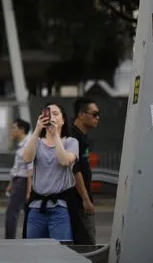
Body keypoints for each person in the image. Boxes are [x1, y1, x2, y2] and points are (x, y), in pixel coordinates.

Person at [22, 103, 79, 242]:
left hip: (60, 208)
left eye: (56, 114)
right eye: (48, 113)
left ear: (63, 120)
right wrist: (37, 130)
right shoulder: (37, 142)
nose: (52, 117)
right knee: (33, 252)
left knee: (61, 252)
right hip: (36, 209)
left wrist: (55, 135)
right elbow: (26, 158)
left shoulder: (71, 142)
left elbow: (64, 160)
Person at [72, 97, 100, 245]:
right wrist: (85, 198)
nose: (98, 118)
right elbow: (75, 170)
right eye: (94, 114)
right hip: (77, 202)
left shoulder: (82, 137)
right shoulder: (73, 138)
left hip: (80, 199)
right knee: (87, 245)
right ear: (81, 114)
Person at [4, 118, 33, 239]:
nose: (12, 130)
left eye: (14, 128)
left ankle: (9, 240)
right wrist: (11, 184)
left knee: (11, 212)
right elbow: (17, 167)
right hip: (18, 180)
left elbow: (30, 169)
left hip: (23, 182)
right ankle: (28, 238)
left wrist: (29, 190)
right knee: (28, 212)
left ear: (21, 130)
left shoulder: (28, 144)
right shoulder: (21, 144)